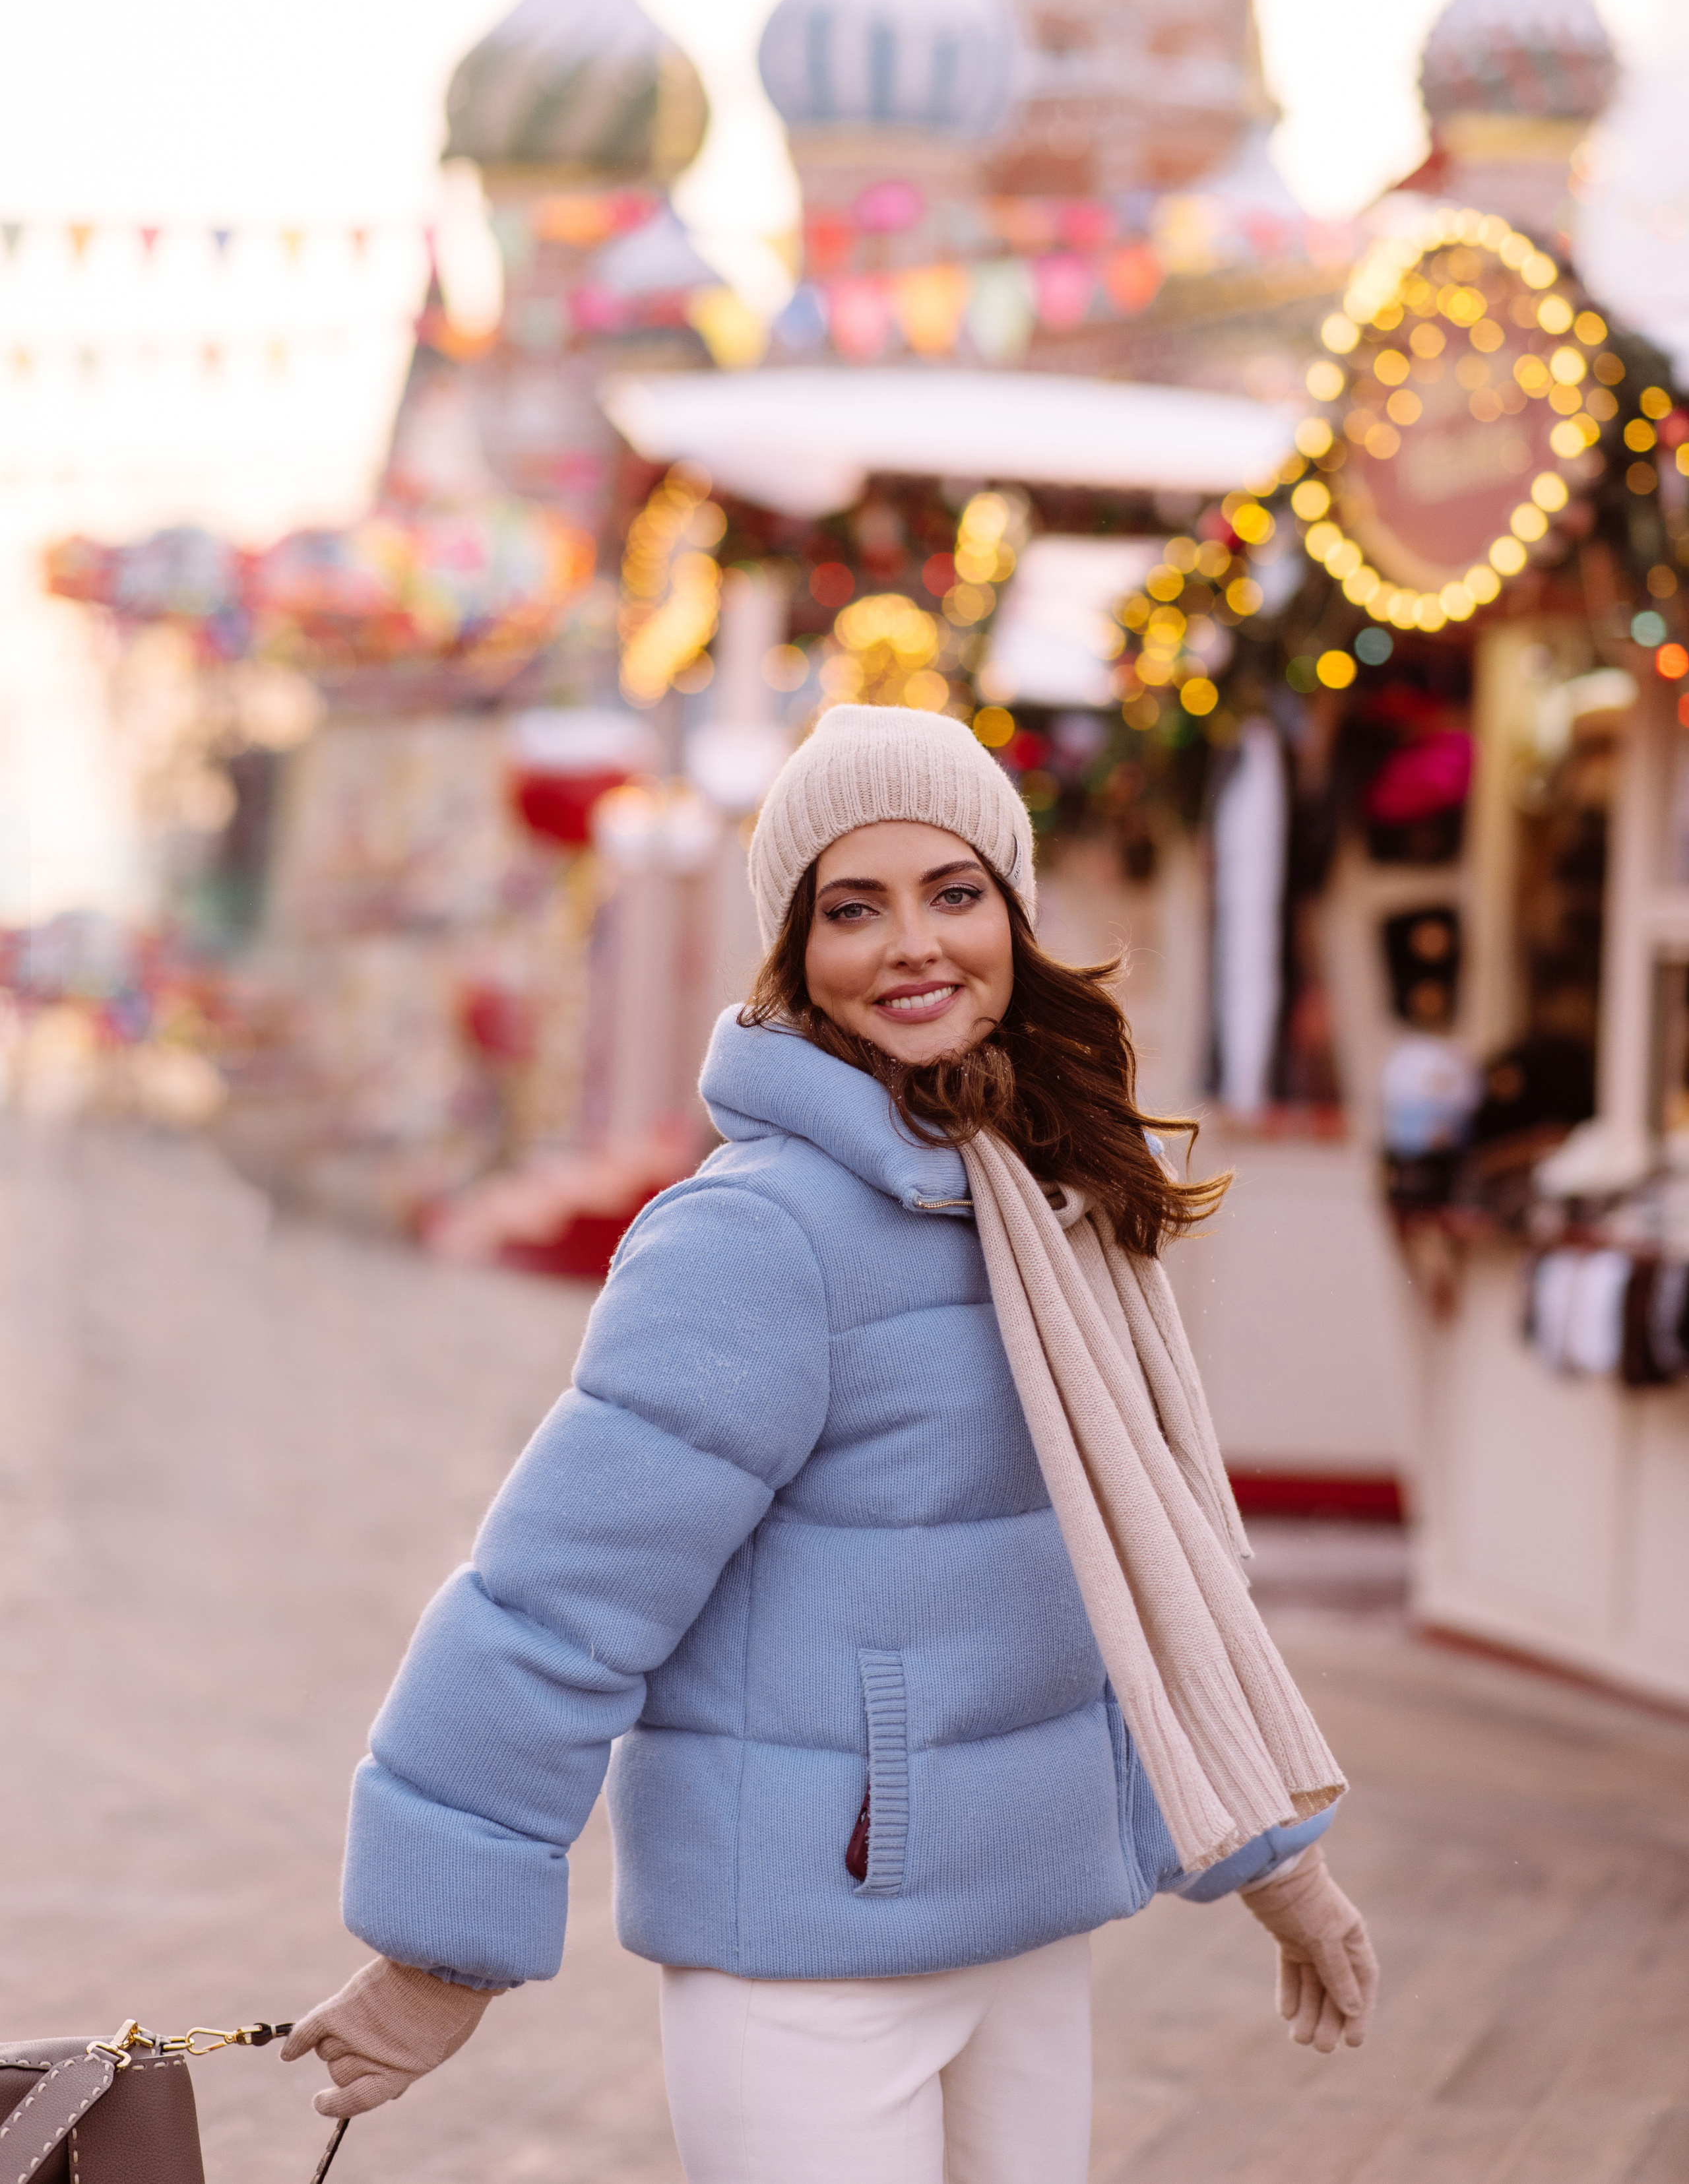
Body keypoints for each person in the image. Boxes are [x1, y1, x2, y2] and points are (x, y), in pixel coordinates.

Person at [284, 704, 1378, 2183]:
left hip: (1028, 1922)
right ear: (795, 951)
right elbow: (554, 1600)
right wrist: (437, 1952)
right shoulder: (756, 1237)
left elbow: (1135, 1579)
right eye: (850, 907)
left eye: (953, 891)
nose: (911, 944)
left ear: (1013, 911)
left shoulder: (1042, 1201)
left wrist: (1276, 1864)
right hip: (809, 1956)